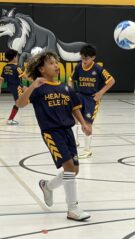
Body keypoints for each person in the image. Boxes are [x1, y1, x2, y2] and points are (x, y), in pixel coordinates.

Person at [16, 51, 92, 221]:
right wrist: (32, 86)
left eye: (57, 62)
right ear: (41, 69)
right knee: (69, 168)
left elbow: (75, 108)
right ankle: (73, 209)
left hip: (68, 131)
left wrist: (84, 123)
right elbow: (19, 103)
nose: (56, 65)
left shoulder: (66, 87)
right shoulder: (38, 88)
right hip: (51, 132)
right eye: (51, 63)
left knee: (74, 170)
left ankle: (47, 186)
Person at [68, 44, 115, 158]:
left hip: (91, 99)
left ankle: (87, 150)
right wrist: (71, 91)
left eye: (86, 58)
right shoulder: (79, 67)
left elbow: (111, 81)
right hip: (79, 96)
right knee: (74, 119)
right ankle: (75, 141)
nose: (84, 60)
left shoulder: (98, 69)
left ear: (93, 57)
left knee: (87, 124)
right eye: (82, 58)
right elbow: (70, 79)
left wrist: (100, 93)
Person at [0, 49, 26, 125]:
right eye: (17, 56)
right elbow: (25, 77)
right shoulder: (16, 68)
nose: (17, 58)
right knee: (19, 103)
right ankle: (10, 119)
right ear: (14, 57)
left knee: (26, 93)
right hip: (17, 87)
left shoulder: (5, 67)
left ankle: (11, 119)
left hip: (11, 86)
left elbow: (1, 79)